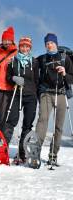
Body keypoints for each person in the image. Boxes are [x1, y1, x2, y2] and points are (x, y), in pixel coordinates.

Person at [36, 33, 73, 165]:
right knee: (42, 121)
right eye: (47, 43)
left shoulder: (65, 58)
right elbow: (31, 65)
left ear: (56, 43)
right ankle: (36, 151)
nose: (49, 45)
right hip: (46, 93)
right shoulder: (42, 59)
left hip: (61, 94)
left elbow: (72, 77)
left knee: (59, 127)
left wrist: (65, 73)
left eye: (51, 43)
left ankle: (53, 154)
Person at [7, 37, 39, 163]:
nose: (24, 49)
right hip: (16, 93)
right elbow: (8, 77)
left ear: (30, 48)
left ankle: (22, 152)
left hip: (30, 95)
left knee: (27, 124)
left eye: (27, 46)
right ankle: (3, 149)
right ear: (19, 47)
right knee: (12, 120)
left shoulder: (34, 62)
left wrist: (35, 92)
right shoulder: (13, 61)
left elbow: (37, 79)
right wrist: (13, 78)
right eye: (22, 46)